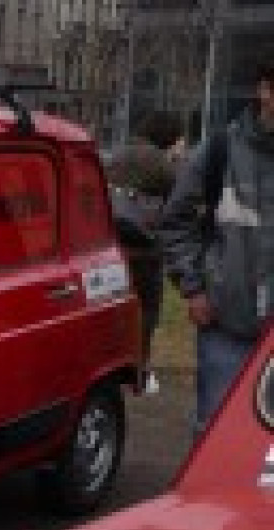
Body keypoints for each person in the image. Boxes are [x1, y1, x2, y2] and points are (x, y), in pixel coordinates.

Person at [160, 59, 274, 434]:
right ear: (264, 91)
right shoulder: (219, 151)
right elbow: (175, 222)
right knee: (218, 437)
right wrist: (193, 289)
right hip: (226, 327)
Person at [107, 110, 184, 394]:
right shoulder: (160, 164)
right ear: (168, 137)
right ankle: (139, 372)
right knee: (147, 312)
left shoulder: (118, 155)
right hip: (145, 249)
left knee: (116, 310)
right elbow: (180, 202)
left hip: (113, 246)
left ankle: (112, 368)